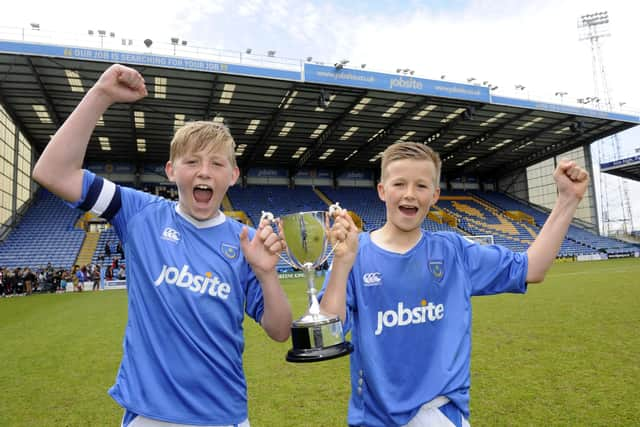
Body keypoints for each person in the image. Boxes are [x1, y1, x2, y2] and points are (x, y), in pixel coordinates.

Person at [32, 63, 292, 427]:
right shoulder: (140, 213)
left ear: (232, 176)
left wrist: (267, 274)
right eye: (192, 162)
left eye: (217, 163)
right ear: (171, 170)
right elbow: (52, 173)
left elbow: (280, 331)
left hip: (225, 416)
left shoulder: (245, 242)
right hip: (151, 415)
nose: (204, 171)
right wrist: (100, 94)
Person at [319, 142, 589, 427]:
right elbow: (328, 333)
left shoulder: (454, 251)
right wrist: (342, 263)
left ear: (435, 195)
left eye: (421, 186)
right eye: (399, 183)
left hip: (440, 414)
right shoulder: (352, 252)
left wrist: (567, 200)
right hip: (373, 419)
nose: (410, 194)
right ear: (382, 190)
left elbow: (532, 268)